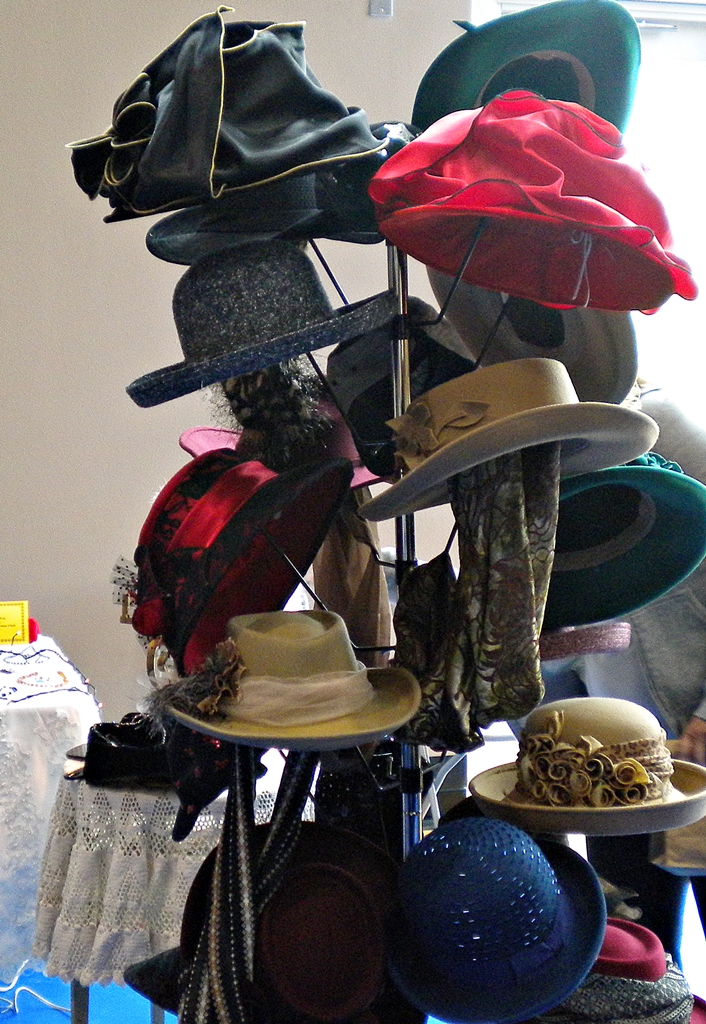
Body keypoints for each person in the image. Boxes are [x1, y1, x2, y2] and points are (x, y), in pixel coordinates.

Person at [542, 380, 706, 965]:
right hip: (614, 760)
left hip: (695, 739)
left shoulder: (663, 426)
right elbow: (547, 627)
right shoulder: (528, 459)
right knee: (642, 967)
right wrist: (561, 741)